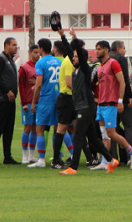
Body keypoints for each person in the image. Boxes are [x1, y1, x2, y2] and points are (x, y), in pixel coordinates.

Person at [59, 31, 119, 175]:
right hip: (82, 107)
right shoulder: (75, 70)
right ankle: (112, 160)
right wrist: (62, 35)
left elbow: (78, 53)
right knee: (93, 137)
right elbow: (68, 52)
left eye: (75, 56)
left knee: (79, 137)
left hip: (86, 107)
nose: (72, 58)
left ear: (81, 58)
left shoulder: (85, 70)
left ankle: (73, 168)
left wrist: (75, 39)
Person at [90, 40, 132, 171]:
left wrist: (120, 101)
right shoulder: (100, 66)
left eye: (99, 49)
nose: (97, 51)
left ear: (106, 50)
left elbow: (122, 82)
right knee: (104, 135)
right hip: (101, 104)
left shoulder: (114, 63)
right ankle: (105, 161)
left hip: (111, 103)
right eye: (96, 49)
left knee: (111, 133)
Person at [28, 38, 61, 168]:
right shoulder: (58, 61)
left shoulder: (40, 63)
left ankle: (41, 160)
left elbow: (39, 83)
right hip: (58, 98)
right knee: (57, 128)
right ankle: (57, 157)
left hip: (46, 99)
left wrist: (33, 102)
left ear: (41, 48)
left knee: (40, 128)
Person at [0, 37, 20, 165]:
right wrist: (7, 90)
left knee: (9, 128)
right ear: (6, 45)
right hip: (2, 98)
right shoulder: (1, 59)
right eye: (13, 45)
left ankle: (7, 156)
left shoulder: (10, 60)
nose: (16, 47)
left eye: (16, 45)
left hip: (10, 100)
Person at [51, 32, 77, 169]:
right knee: (61, 129)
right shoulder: (68, 62)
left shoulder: (70, 60)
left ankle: (79, 157)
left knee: (76, 128)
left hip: (70, 98)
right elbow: (69, 83)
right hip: (66, 98)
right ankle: (56, 160)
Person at [109, 41, 132, 156]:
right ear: (118, 49)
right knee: (129, 127)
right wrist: (129, 96)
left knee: (111, 130)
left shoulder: (105, 59)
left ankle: (114, 157)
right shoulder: (121, 59)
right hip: (121, 98)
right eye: (124, 48)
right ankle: (131, 156)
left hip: (109, 99)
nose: (125, 51)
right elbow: (124, 79)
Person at [19, 45, 40, 164]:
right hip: (28, 102)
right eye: (35, 52)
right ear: (30, 53)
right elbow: (21, 86)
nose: (37, 54)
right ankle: (24, 156)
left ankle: (32, 155)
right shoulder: (24, 68)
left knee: (35, 129)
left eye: (38, 52)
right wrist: (23, 103)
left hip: (38, 102)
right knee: (27, 128)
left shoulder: (40, 66)